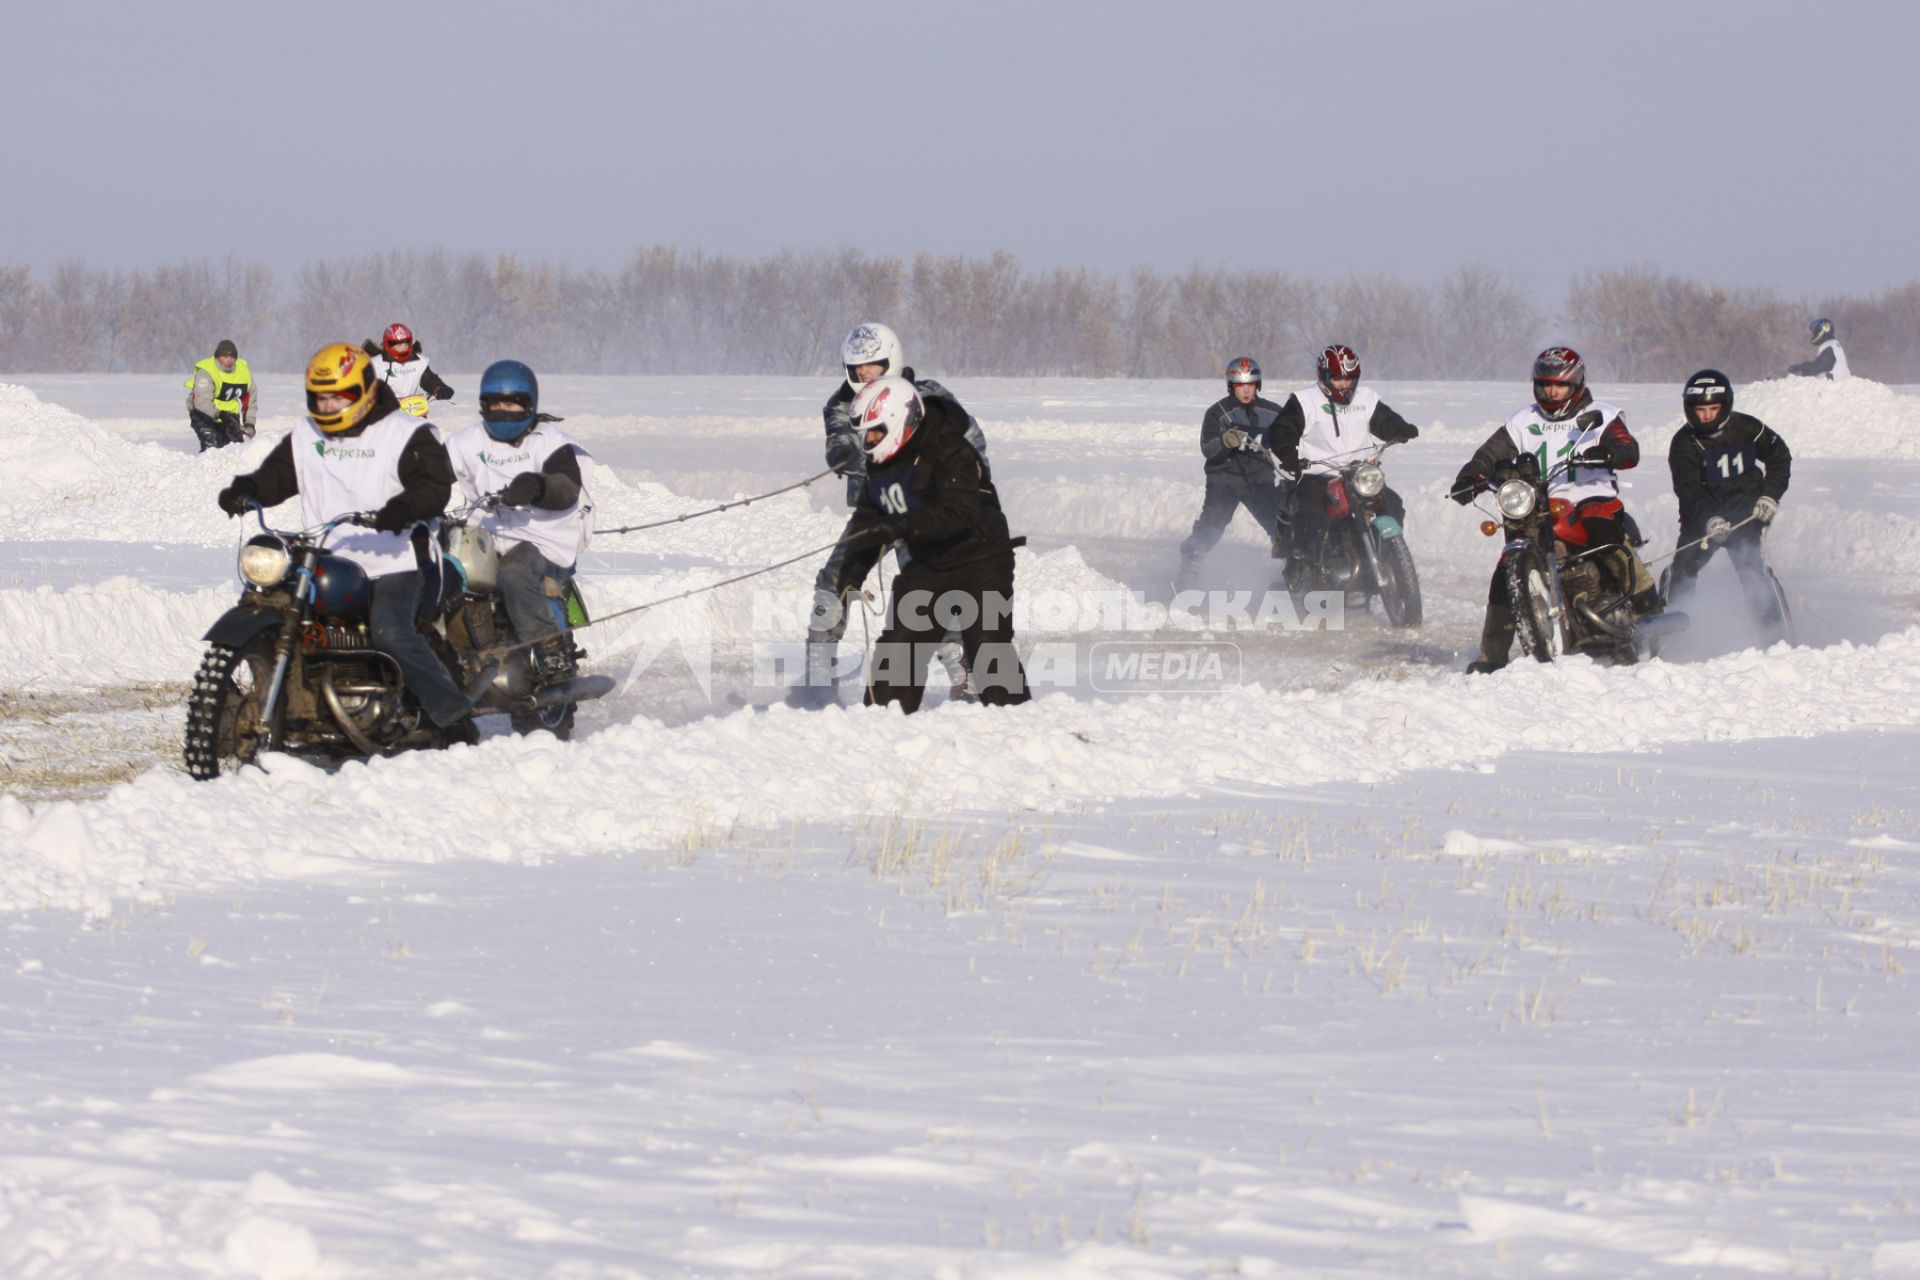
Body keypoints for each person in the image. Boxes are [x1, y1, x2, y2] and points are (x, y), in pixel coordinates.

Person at [215, 341, 482, 740]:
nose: (326, 407)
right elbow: (279, 475)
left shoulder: (407, 432)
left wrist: (404, 508)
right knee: (281, 609)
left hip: (395, 560)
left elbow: (434, 486)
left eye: (337, 398)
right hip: (326, 556)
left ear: (363, 391)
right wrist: (247, 489)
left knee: (391, 632)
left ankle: (452, 716)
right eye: (319, 399)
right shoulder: (307, 434)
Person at [790, 321, 987, 707]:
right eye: (856, 367)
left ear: (891, 362)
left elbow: (971, 441)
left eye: (873, 366)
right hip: (876, 512)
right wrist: (845, 453)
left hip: (928, 514)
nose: (864, 374)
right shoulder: (841, 404)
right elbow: (840, 438)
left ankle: (966, 677)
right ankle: (817, 681)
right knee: (833, 584)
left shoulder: (930, 397)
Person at [1451, 346, 1659, 673]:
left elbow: (1627, 448)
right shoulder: (1523, 421)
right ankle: (1492, 656)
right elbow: (1488, 454)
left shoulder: (1601, 415)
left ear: (1575, 384)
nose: (1552, 391)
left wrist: (1610, 453)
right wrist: (1472, 475)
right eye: (1546, 384)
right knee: (1505, 570)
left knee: (1605, 535)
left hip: (1590, 498)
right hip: (1535, 503)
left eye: (1559, 385)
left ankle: (1647, 602)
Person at [836, 375, 1028, 714]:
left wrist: (899, 524)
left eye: (876, 430)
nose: (870, 440)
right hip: (928, 565)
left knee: (987, 650)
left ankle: (1022, 726)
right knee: (898, 649)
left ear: (898, 419)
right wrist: (851, 575)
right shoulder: (878, 469)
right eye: (866, 433)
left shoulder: (951, 448)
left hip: (981, 558)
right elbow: (867, 525)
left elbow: (958, 513)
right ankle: (878, 728)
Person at [443, 360, 592, 673]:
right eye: (495, 403)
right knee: (442, 571)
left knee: (514, 573)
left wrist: (537, 486)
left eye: (512, 403)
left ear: (529, 404)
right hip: (487, 533)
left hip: (544, 540)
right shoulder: (467, 441)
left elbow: (565, 487)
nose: (503, 410)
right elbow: (432, 475)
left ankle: (549, 645)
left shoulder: (550, 442)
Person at [1268, 343, 1419, 585]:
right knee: (1313, 516)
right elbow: (1281, 431)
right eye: (1338, 379)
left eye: (1350, 379)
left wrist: (1400, 428)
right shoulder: (1305, 401)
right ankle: (1306, 567)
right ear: (1324, 377)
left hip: (1359, 473)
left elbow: (1384, 419)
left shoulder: (1366, 398)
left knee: (1392, 503)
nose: (1345, 385)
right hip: (1318, 474)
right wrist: (1289, 456)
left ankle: (1391, 557)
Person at [1665, 369, 1792, 631]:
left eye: (1713, 408)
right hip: (1701, 523)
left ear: (1726, 405)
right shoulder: (1683, 444)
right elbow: (1687, 490)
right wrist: (1709, 520)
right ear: (1690, 409)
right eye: (1701, 409)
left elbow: (1780, 457)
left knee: (1754, 575)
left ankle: (1775, 635)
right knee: (1682, 571)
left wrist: (1770, 495)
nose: (1707, 415)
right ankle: (1671, 635)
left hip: (1745, 516)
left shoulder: (1749, 428)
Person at [1176, 357, 1283, 589]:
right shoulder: (1217, 413)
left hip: (1259, 480)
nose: (1246, 390)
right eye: (1239, 385)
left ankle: (1291, 573)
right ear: (1231, 386)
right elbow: (1207, 449)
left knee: (1280, 525)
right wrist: (1225, 441)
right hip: (1224, 479)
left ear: (1257, 385)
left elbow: (1291, 441)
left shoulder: (1273, 412)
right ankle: (1190, 566)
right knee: (1212, 526)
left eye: (1250, 384)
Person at [361, 323, 455, 411]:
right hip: (385, 411)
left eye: (406, 344)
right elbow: (365, 388)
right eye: (398, 345)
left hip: (413, 408)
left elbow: (429, 380)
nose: (403, 348)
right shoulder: (376, 364)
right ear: (388, 345)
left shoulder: (420, 362)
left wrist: (439, 388)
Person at [185, 338, 257, 451]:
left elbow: (251, 400)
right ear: (218, 357)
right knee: (212, 446)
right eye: (225, 357)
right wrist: (220, 414)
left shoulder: (243, 372)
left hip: (229, 414)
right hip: (203, 414)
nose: (229, 360)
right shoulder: (206, 371)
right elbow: (201, 402)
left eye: (232, 357)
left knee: (236, 447)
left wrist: (249, 423)